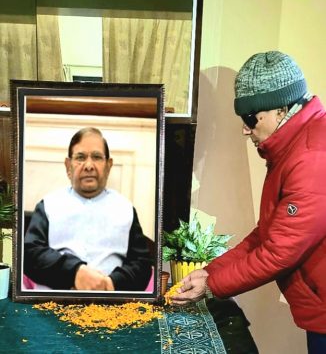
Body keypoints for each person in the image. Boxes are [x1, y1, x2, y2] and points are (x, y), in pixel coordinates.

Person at [171, 51, 326, 352]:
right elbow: (266, 233)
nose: (244, 128)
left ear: (280, 109)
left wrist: (211, 286)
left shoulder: (312, 156)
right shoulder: (292, 148)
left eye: (249, 118)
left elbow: (277, 252)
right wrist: (210, 271)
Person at [24, 127, 152, 291]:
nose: (89, 165)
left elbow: (142, 264)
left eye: (97, 157)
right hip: (54, 303)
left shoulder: (125, 208)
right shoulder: (48, 205)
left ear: (108, 165)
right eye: (80, 157)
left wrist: (112, 283)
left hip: (112, 304)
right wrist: (75, 273)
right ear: (68, 165)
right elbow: (30, 254)